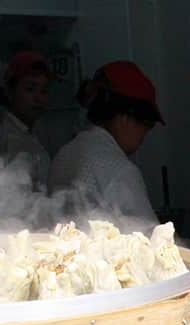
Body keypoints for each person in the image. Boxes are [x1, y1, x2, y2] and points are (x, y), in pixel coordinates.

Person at [48, 60, 162, 227]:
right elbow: (154, 242)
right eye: (147, 125)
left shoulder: (63, 154)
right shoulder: (120, 170)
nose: (145, 135)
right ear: (125, 117)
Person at [0, 50, 52, 192]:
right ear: (10, 92)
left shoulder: (27, 134)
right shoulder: (10, 140)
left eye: (44, 91)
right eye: (30, 89)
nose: (38, 98)